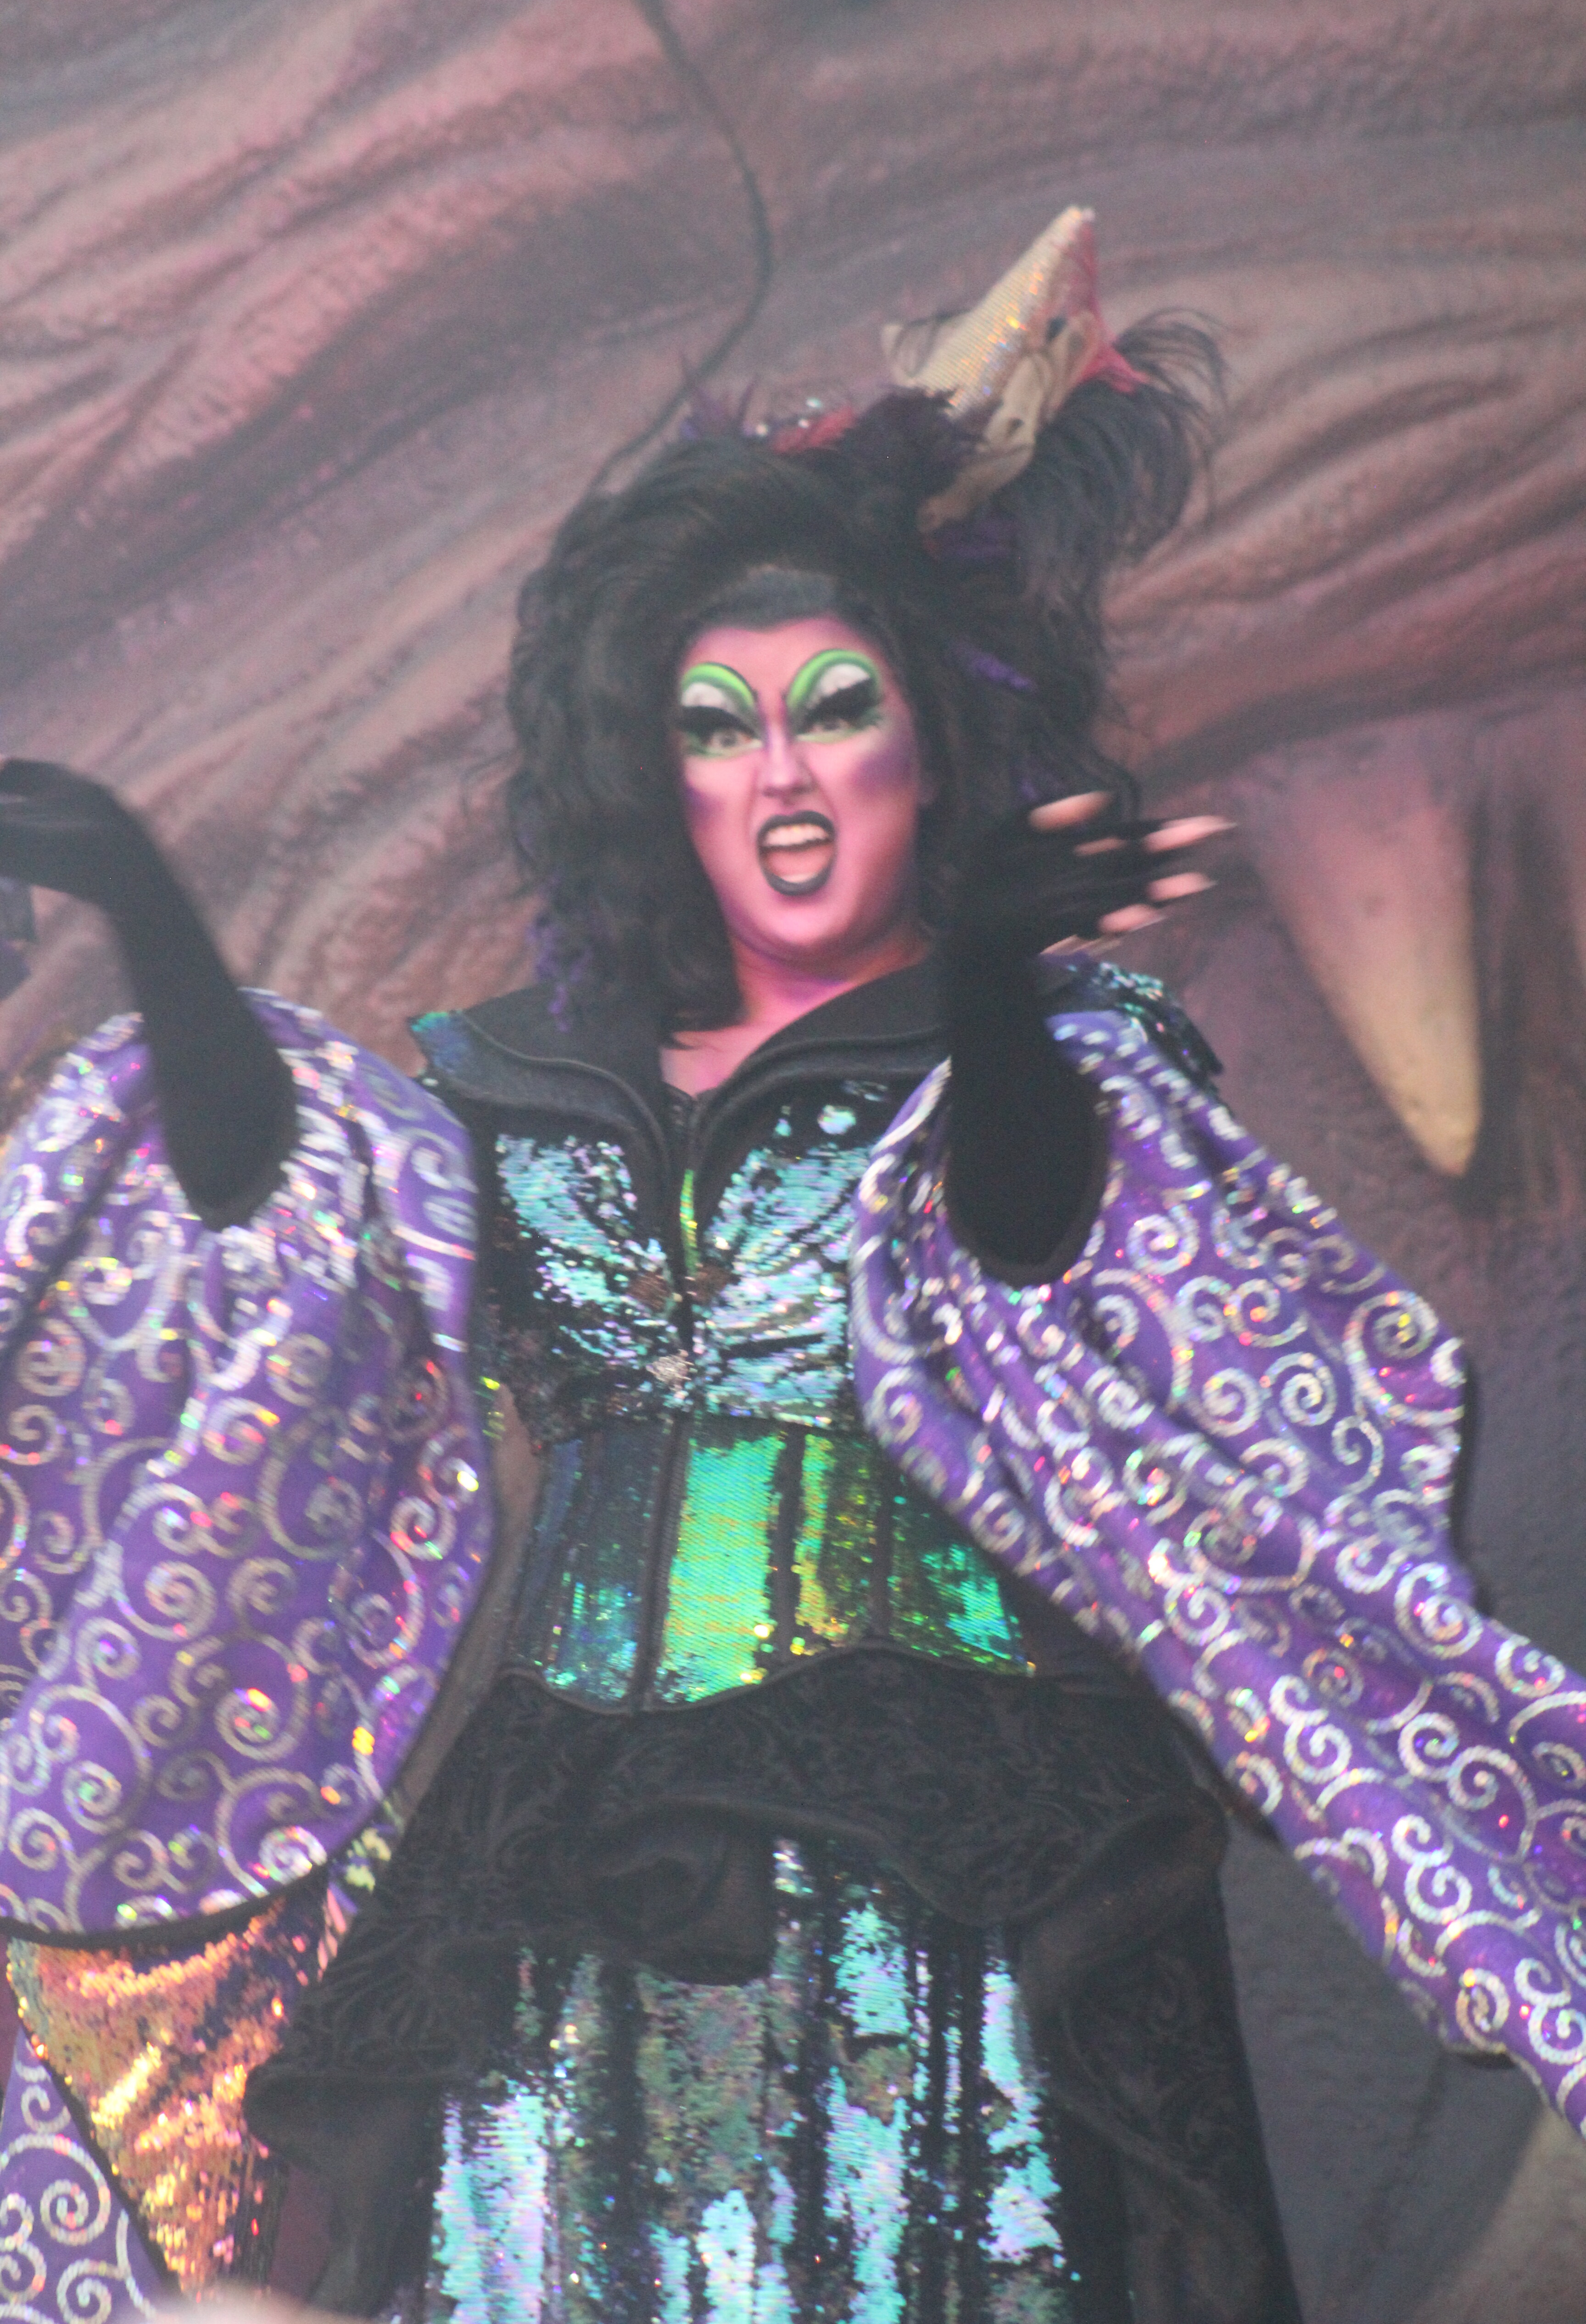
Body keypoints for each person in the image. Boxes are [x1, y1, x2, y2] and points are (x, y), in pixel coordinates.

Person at [6, 208, 1586, 2324]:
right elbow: (273, 1203)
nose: (782, 771)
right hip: (565, 1863)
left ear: (933, 741)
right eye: (719, 723)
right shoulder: (520, 1087)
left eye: (836, 710)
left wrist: (999, 981)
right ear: (648, 771)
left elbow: (1029, 1234)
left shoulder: (1052, 1060)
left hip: (942, 1868)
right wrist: (137, 899)